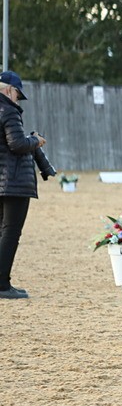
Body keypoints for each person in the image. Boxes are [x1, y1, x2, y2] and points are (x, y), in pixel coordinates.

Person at [0, 70, 49, 299]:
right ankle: (2, 285)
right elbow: (17, 144)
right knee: (10, 233)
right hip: (14, 182)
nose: (18, 99)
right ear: (9, 89)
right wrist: (36, 140)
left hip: (2, 181)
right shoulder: (8, 110)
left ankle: (3, 281)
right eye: (18, 94)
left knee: (3, 232)